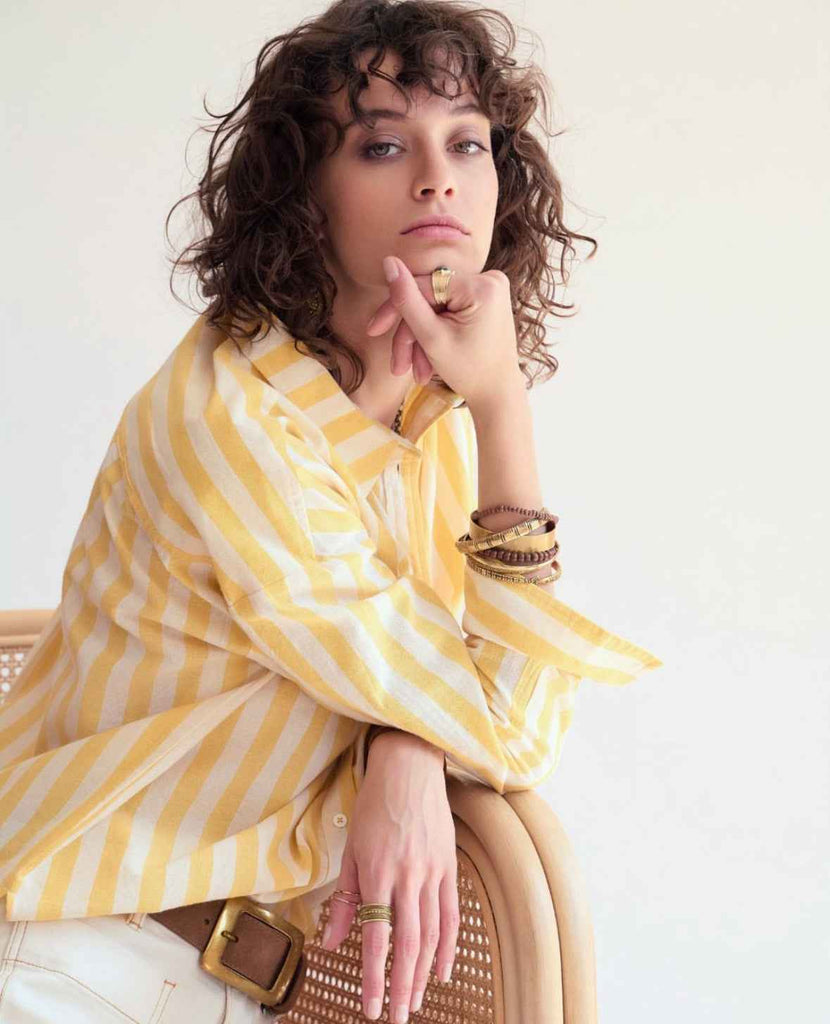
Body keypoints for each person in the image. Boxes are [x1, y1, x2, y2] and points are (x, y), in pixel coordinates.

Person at [0, 1, 662, 1021]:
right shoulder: (233, 420)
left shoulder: (427, 413)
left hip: (228, 980)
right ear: (301, 188)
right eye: (383, 145)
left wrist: (407, 740)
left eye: (467, 143)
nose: (438, 178)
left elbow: (485, 708)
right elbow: (505, 725)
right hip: (72, 962)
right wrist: (505, 406)